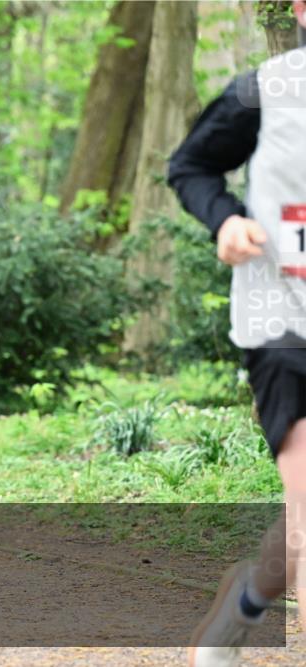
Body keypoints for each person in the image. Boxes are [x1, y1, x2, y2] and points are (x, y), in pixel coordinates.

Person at [168, 4, 305, 665]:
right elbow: (190, 166)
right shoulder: (264, 92)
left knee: (295, 540)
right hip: (284, 327)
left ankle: (245, 600)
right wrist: (225, 221)